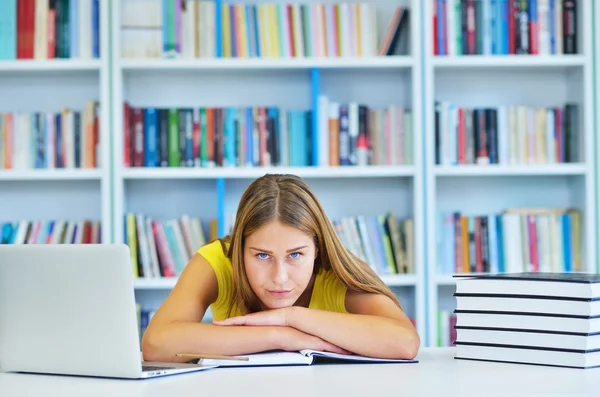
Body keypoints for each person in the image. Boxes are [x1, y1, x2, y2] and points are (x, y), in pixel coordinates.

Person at [142, 174, 420, 363]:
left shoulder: (334, 271)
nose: (280, 277)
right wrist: (279, 335)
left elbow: (405, 342)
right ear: (239, 249)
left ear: (317, 248)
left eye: (296, 255)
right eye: (262, 255)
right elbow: (156, 344)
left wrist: (291, 317)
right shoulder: (217, 261)